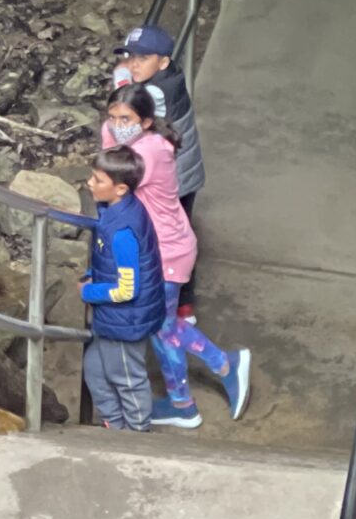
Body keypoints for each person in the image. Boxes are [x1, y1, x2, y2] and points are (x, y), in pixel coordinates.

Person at [103, 86, 250, 428]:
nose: (116, 125)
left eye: (125, 119)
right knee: (161, 326)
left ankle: (217, 372)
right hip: (162, 248)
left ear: (147, 121)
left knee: (161, 326)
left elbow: (109, 176)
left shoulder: (146, 154)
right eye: (112, 117)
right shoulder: (147, 142)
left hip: (166, 252)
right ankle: (189, 396)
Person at [115, 23, 204, 309]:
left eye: (142, 58)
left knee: (173, 242)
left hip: (173, 182)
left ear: (163, 61)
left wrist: (121, 81)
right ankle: (181, 302)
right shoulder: (171, 75)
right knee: (180, 235)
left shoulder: (157, 94)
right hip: (181, 174)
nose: (133, 64)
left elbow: (125, 113)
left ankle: (181, 304)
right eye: (130, 56)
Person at [79, 146, 165, 432]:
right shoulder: (112, 211)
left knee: (127, 379)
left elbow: (127, 289)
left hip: (125, 321)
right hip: (113, 320)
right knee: (94, 370)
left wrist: (89, 292)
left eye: (98, 180)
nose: (90, 183)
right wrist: (93, 272)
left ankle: (136, 434)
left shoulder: (122, 232)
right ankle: (114, 425)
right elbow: (108, 262)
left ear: (120, 189)